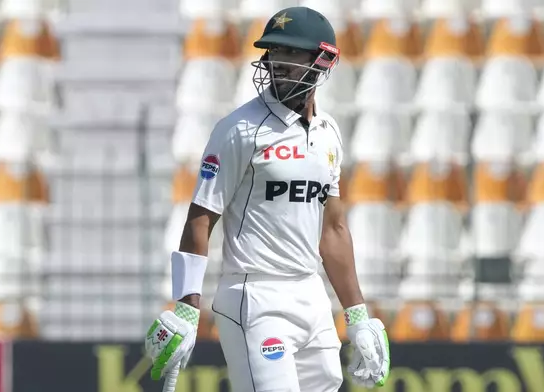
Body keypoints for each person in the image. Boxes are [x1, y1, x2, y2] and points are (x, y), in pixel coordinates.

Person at [145, 6, 390, 392]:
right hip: (254, 295)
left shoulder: (328, 134)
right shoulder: (239, 130)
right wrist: (188, 308)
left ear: (323, 59)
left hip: (311, 294)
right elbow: (200, 217)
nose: (279, 64)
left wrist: (357, 314)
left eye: (292, 54)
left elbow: (334, 228)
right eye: (274, 53)